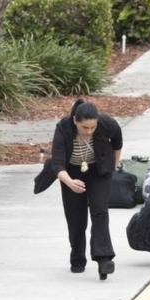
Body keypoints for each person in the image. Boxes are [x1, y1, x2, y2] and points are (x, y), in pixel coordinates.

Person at [51, 99, 122, 280]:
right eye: (85, 128)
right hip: (71, 172)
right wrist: (70, 182)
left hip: (98, 170)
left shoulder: (106, 123)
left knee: (100, 211)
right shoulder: (63, 129)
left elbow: (117, 140)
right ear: (75, 121)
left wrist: (114, 163)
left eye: (92, 127)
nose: (89, 131)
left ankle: (104, 258)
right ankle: (77, 257)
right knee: (76, 218)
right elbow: (57, 163)